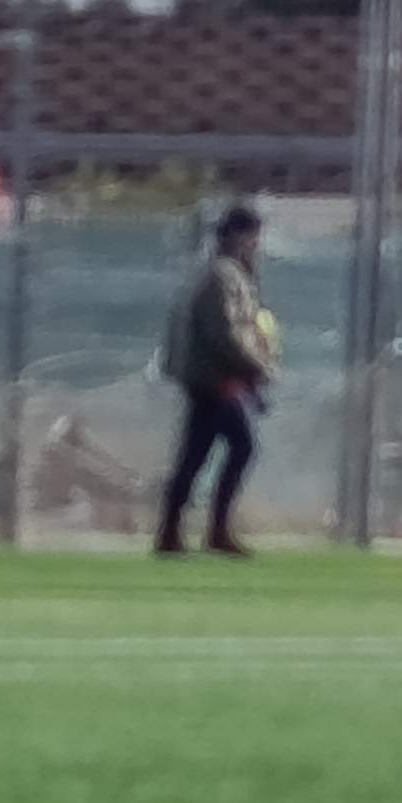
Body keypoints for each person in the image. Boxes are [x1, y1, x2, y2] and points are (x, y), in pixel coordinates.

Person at [156, 202, 279, 557]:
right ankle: (215, 530)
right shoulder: (223, 276)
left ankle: (172, 532)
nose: (257, 244)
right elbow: (225, 333)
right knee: (242, 445)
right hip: (216, 379)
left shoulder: (228, 273)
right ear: (240, 235)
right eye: (254, 236)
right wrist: (256, 367)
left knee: (195, 455)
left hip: (213, 377)